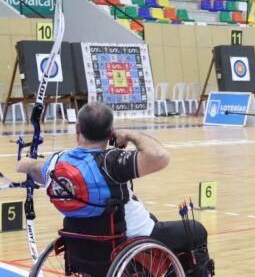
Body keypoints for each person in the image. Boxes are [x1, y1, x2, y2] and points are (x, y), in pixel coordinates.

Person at [16, 101, 207, 253]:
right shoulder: (112, 162)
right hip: (127, 240)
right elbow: (160, 156)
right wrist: (130, 135)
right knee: (196, 230)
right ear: (111, 132)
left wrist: (27, 159)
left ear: (77, 129)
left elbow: (26, 166)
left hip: (83, 245)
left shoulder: (56, 161)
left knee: (154, 218)